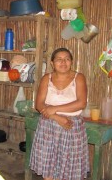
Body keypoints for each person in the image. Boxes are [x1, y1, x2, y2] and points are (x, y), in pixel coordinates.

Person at [30, 47, 89, 180]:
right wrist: (56, 117)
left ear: (71, 62)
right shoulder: (47, 78)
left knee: (68, 167)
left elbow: (81, 103)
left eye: (67, 59)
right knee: (48, 167)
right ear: (52, 63)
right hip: (49, 127)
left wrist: (54, 108)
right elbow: (39, 104)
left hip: (71, 127)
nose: (63, 62)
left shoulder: (78, 78)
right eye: (59, 59)